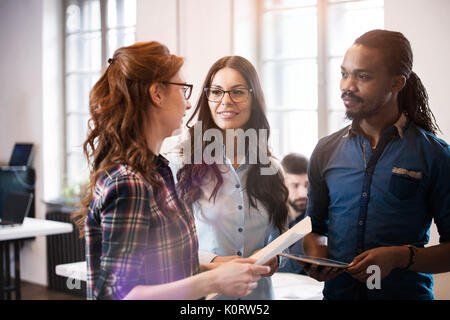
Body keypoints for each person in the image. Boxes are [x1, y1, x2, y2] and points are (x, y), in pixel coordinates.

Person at [71, 42, 270, 300]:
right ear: (157, 93)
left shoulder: (158, 171)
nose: (189, 105)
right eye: (183, 90)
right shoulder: (129, 183)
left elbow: (160, 268)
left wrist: (214, 267)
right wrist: (212, 280)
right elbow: (119, 296)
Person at [302, 29, 450, 300]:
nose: (347, 85)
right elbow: (315, 229)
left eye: (363, 76)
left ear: (397, 83)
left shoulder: (435, 156)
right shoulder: (325, 151)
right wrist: (317, 254)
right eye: (344, 73)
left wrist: (400, 257)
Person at [174, 56, 289, 300]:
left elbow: (277, 238)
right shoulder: (182, 164)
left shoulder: (271, 169)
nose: (226, 101)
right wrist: (213, 261)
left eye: (237, 92)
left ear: (253, 99)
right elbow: (165, 248)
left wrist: (276, 257)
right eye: (216, 91)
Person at [275, 153, 309, 274]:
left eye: (307, 185)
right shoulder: (270, 220)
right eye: (295, 186)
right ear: (281, 186)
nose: (303, 194)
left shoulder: (318, 221)